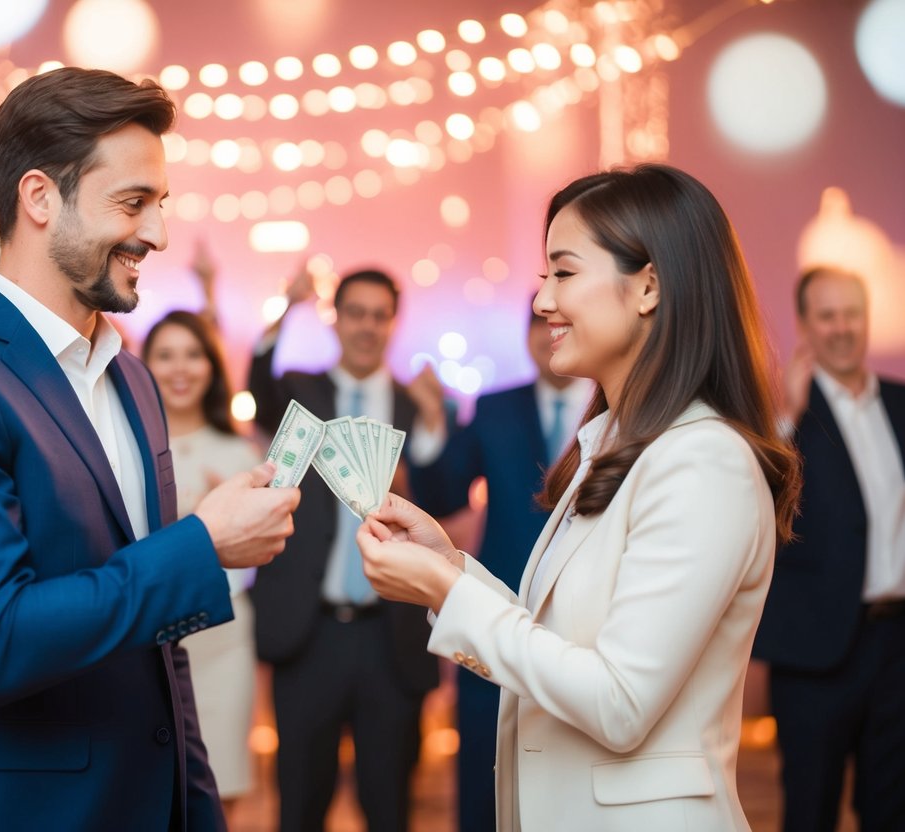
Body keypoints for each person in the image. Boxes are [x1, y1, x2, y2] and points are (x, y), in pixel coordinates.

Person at [0, 67, 300, 831]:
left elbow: (160, 657)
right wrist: (201, 545)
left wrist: (195, 807)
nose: (156, 234)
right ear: (38, 198)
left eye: (159, 204)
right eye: (132, 202)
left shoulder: (130, 376)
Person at [355, 164, 801, 831]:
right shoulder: (614, 443)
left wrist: (449, 594)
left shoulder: (702, 461)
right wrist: (449, 566)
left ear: (648, 286)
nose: (540, 303)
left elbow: (619, 701)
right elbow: (563, 640)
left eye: (562, 274)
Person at [247, 265, 439, 832]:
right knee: (300, 803)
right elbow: (257, 381)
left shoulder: (415, 405)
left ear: (393, 322)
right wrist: (287, 306)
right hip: (311, 633)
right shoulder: (301, 393)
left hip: (393, 636)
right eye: (356, 312)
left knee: (390, 806)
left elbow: (441, 498)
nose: (367, 326)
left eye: (380, 315)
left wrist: (431, 425)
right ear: (337, 319)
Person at [405, 303, 592, 832]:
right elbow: (444, 492)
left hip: (588, 618)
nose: (546, 334)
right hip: (503, 604)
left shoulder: (617, 408)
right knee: (484, 784)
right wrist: (432, 424)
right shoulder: (495, 408)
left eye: (557, 323)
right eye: (537, 325)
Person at [752, 267, 905, 831]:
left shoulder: (900, 402)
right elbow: (750, 504)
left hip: (896, 645)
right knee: (810, 809)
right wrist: (786, 416)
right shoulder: (785, 411)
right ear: (804, 325)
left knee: (893, 809)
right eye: (827, 315)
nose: (842, 328)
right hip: (814, 651)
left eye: (852, 314)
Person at [141, 261, 262, 815]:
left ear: (212, 366)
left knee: (222, 783)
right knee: (148, 785)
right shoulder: (126, 447)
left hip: (223, 635)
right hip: (143, 637)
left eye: (193, 354)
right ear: (143, 366)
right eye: (165, 355)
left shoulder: (239, 453)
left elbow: (259, 554)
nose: (180, 368)